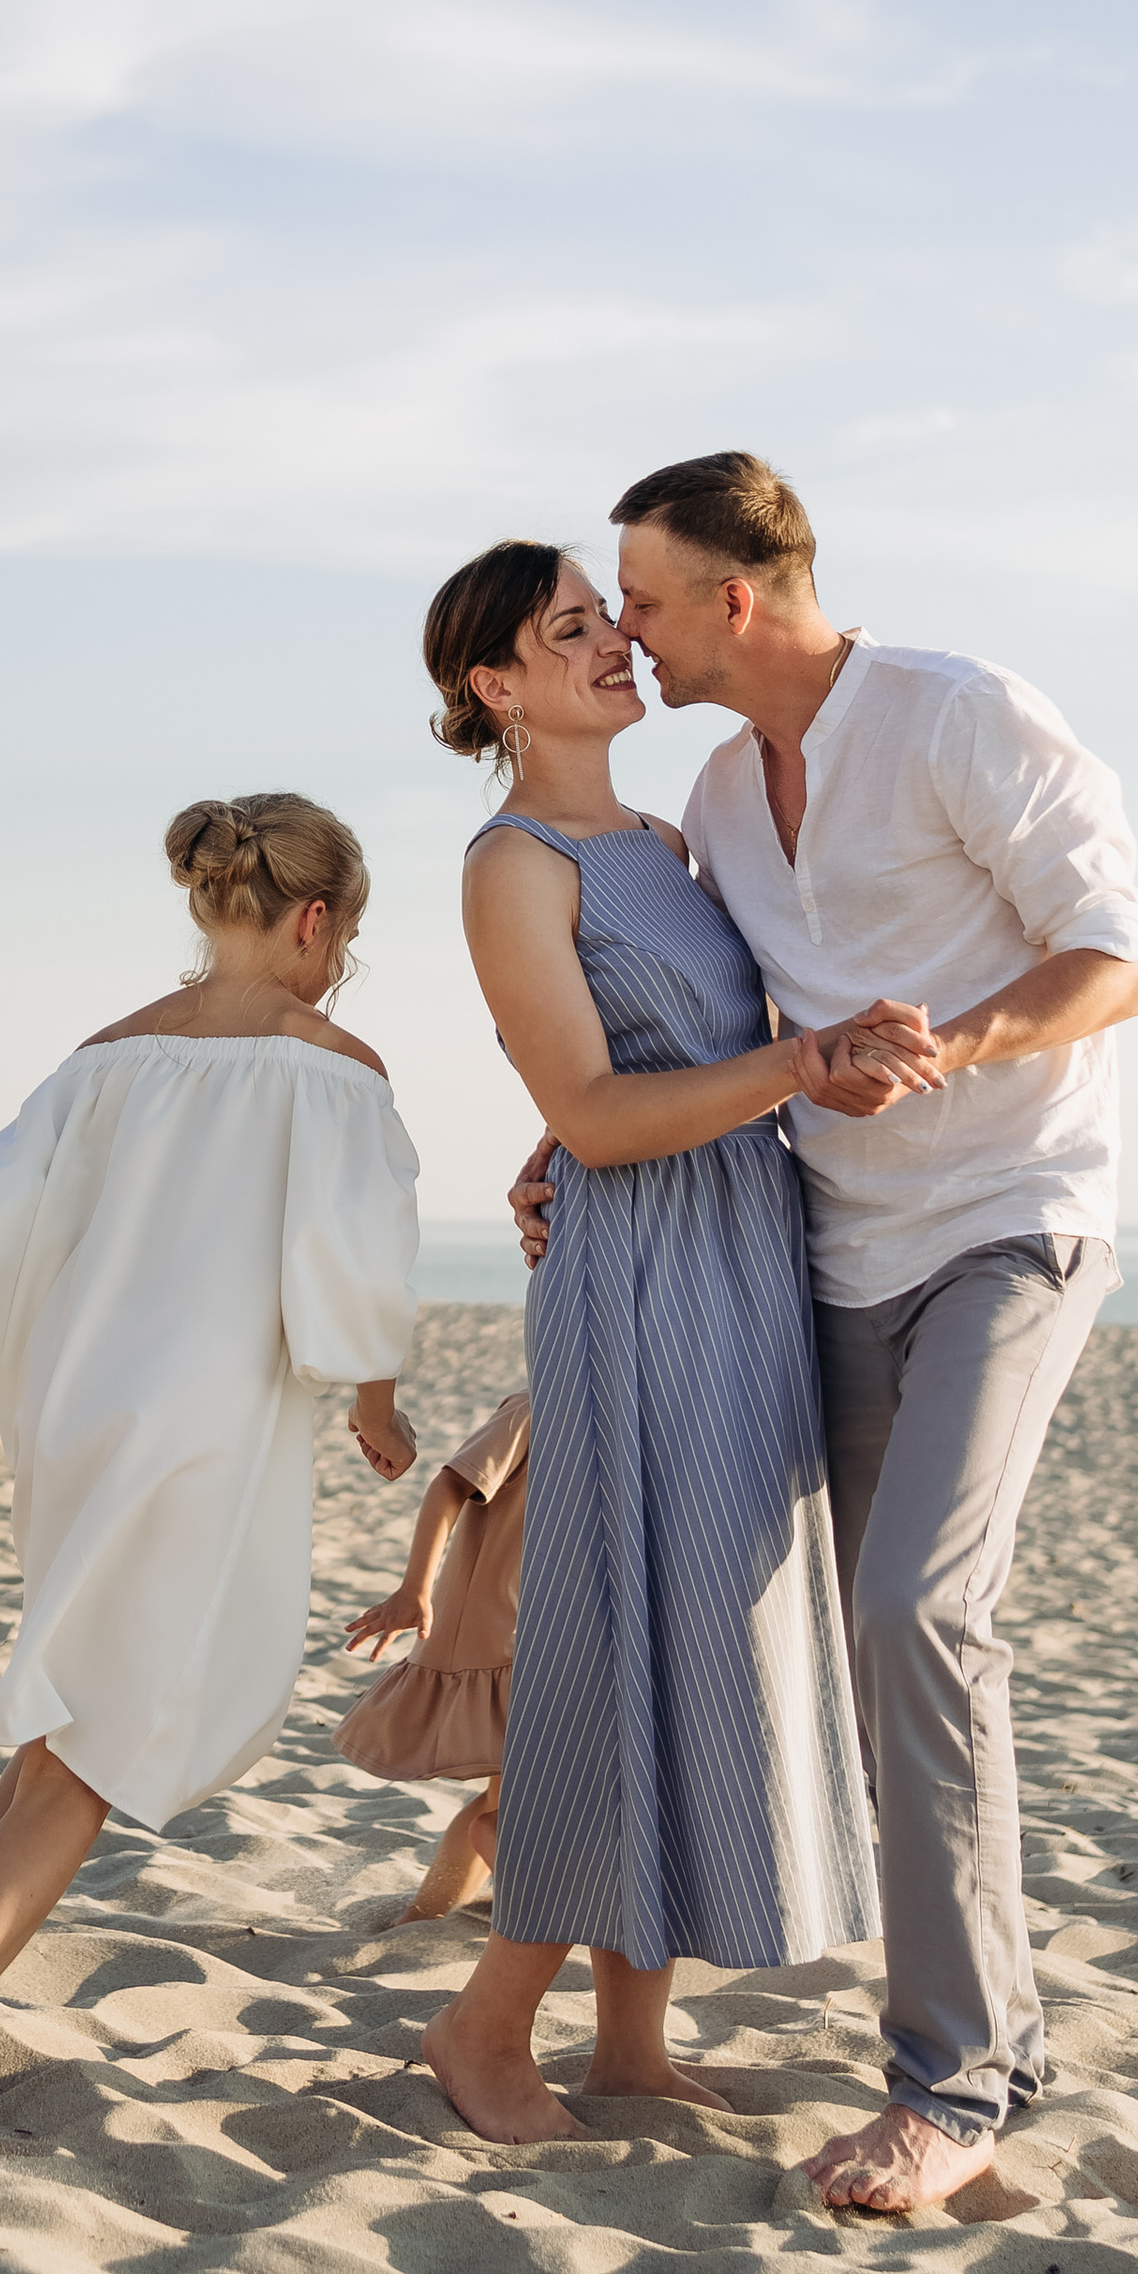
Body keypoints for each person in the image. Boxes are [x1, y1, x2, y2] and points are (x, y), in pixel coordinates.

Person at [521, 450, 1138, 2217]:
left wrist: (951, 1045)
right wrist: (557, 1129)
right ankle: (991, 2032)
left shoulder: (962, 716)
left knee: (916, 1613)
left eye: (642, 600)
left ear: (737, 597)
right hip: (827, 1249)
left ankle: (950, 2087)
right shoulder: (721, 796)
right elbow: (710, 1014)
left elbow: (1119, 958)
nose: (627, 633)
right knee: (871, 1646)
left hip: (1010, 1224)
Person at [0, 792, 421, 2163]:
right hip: (198, 1433)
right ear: (315, 922)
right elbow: (350, 1265)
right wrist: (376, 1401)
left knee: (78, 1687)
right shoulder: (335, 1068)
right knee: (95, 1743)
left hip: (69, 1416)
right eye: (341, 939)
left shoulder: (102, 1060)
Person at [414, 541, 926, 2143]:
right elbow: (587, 1109)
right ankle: (489, 2027)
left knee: (697, 1632)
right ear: (499, 688)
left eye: (610, 618)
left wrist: (790, 1070)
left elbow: (680, 1057)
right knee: (620, 1637)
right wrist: (797, 1070)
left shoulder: (663, 834)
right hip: (637, 1278)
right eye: (576, 630)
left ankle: (630, 2046)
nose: (616, 643)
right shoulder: (515, 863)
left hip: (742, 1255)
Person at [333, 1383, 529, 1921]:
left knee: (503, 1797)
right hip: (501, 1630)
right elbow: (449, 1485)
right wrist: (414, 1588)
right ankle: (530, 1922)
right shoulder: (537, 1406)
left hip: (552, 1632)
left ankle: (424, 1916)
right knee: (513, 1802)